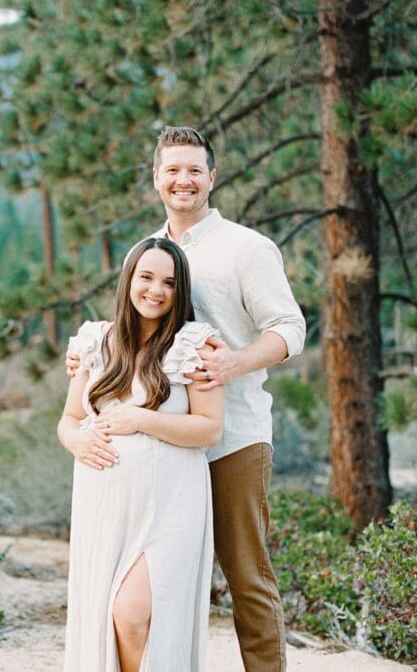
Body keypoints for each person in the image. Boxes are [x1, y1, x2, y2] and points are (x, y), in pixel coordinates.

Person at [67, 126, 306, 671]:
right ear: (156, 178)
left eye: (194, 170)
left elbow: (290, 327)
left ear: (212, 178)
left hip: (231, 436)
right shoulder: (147, 252)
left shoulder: (247, 248)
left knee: (245, 575)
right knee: (146, 595)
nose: (183, 180)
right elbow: (124, 328)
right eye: (172, 169)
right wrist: (85, 361)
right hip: (157, 460)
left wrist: (234, 362)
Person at [59, 237, 224, 671]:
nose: (156, 290)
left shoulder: (196, 345)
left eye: (169, 282)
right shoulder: (95, 341)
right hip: (104, 507)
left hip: (171, 504)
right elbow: (70, 418)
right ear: (128, 279)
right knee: (107, 618)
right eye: (146, 277)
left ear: (180, 290)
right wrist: (76, 440)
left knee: (132, 614)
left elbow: (209, 429)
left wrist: (141, 420)